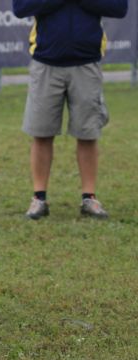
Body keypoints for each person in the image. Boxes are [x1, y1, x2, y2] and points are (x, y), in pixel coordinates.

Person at [13, 0, 128, 220]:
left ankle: (89, 197)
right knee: (41, 133)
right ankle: (39, 199)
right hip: (46, 61)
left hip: (87, 63)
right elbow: (21, 8)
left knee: (88, 134)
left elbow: (119, 8)